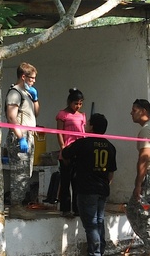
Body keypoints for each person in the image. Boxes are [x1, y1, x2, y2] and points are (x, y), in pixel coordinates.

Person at [62, 113, 116, 256]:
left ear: (92, 127)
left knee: (91, 225)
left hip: (87, 190)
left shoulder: (82, 144)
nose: (85, 125)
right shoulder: (110, 146)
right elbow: (111, 173)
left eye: (88, 123)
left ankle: (95, 253)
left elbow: (65, 154)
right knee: (99, 222)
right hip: (103, 189)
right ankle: (100, 251)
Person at [126, 99, 150, 256]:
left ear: (143, 111)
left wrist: (138, 185)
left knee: (141, 213)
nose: (131, 113)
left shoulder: (147, 130)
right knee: (145, 212)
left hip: (149, 176)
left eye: (134, 110)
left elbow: (144, 158)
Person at [5, 62, 39, 220]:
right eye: (31, 78)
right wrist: (20, 138)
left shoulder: (28, 93)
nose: (33, 81)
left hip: (29, 135)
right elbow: (11, 117)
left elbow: (35, 113)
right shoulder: (14, 93)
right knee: (19, 172)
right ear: (23, 76)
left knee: (27, 172)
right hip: (20, 136)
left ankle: (19, 204)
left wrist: (35, 98)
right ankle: (16, 206)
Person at [56, 88, 86, 217]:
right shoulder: (62, 115)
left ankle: (77, 208)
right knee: (66, 180)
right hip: (67, 150)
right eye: (75, 103)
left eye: (80, 103)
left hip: (79, 151)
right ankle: (65, 209)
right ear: (69, 102)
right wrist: (63, 149)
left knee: (77, 181)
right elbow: (59, 133)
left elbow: (83, 133)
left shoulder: (82, 115)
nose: (78, 106)